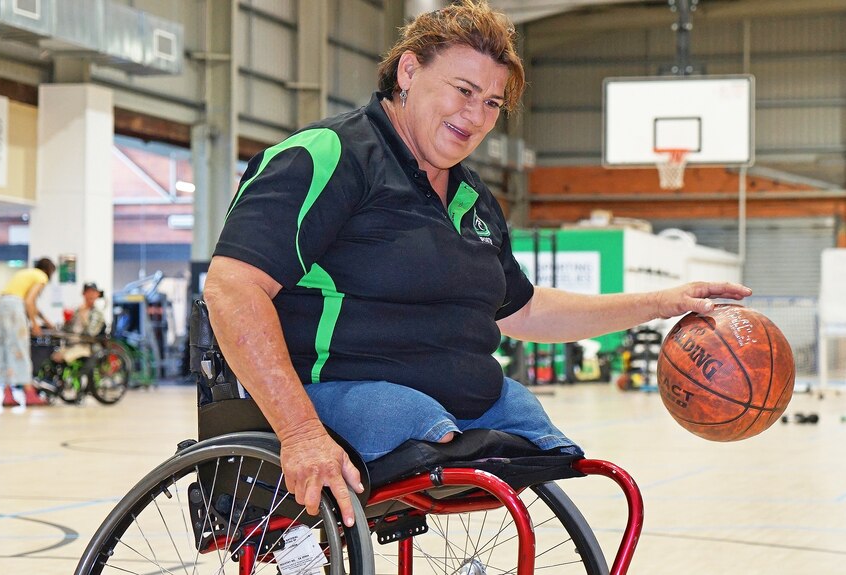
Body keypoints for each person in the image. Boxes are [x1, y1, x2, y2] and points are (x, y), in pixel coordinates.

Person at [202, 0, 752, 528]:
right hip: (336, 389)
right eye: (464, 91)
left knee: (555, 449)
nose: (477, 115)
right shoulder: (329, 155)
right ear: (410, 71)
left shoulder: (473, 198)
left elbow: (524, 311)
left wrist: (660, 304)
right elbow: (231, 288)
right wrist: (299, 432)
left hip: (457, 396)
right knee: (417, 424)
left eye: (492, 103)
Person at [0, 257, 56, 407]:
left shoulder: (27, 273)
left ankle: (7, 394)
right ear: (49, 271)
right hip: (15, 308)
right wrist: (35, 325)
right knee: (21, 350)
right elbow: (29, 301)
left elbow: (31, 304)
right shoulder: (42, 276)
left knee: (4, 350)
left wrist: (45, 321)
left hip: (1, 305)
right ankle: (29, 394)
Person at [51, 282, 107, 365]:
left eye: (93, 292)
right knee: (53, 357)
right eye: (88, 292)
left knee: (64, 357)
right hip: (71, 344)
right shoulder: (77, 310)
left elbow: (90, 334)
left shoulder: (97, 313)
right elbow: (67, 330)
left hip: (87, 346)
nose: (91, 295)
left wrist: (84, 317)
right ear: (84, 294)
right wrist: (67, 322)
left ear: (97, 295)